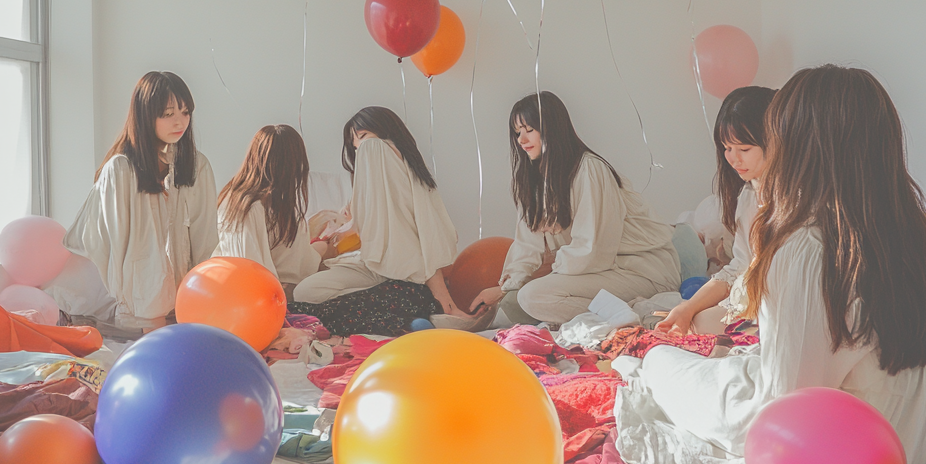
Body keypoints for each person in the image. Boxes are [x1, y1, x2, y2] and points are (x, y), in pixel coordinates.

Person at [616, 65, 926, 464]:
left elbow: (786, 405)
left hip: (881, 463)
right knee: (722, 364)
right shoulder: (905, 225)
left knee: (662, 364)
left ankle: (660, 366)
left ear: (799, 145)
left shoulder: (807, 244)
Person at [472, 91, 680, 325]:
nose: (521, 140)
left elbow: (592, 250)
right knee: (524, 297)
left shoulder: (589, 169)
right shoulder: (534, 183)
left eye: (529, 130)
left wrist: (537, 280)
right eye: (517, 132)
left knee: (533, 296)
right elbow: (526, 247)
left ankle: (638, 315)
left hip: (641, 270)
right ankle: (621, 313)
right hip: (603, 271)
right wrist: (506, 288)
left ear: (551, 128)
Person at [55, 71, 218, 321]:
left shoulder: (196, 166)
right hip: (133, 303)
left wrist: (201, 293)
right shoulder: (120, 169)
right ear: (145, 116)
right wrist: (131, 303)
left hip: (183, 299)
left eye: (185, 112)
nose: (180, 122)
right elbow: (111, 246)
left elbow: (205, 236)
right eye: (168, 114)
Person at [289, 106, 466, 326]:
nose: (360, 148)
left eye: (363, 137)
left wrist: (352, 225)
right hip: (381, 266)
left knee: (306, 294)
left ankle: (406, 307)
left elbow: (404, 232)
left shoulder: (377, 150)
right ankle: (406, 305)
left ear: (386, 132)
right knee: (306, 291)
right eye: (356, 146)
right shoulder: (403, 175)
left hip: (392, 264)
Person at [657, 86, 776, 336]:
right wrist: (687, 308)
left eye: (744, 149)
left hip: (782, 307)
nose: (733, 159)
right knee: (689, 321)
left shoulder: (795, 201)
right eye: (726, 148)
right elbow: (739, 268)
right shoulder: (748, 196)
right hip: (754, 302)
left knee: (697, 327)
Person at [214, 125, 324, 300]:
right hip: (250, 300)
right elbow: (251, 274)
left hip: (271, 292)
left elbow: (298, 260)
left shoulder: (277, 203)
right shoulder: (248, 207)